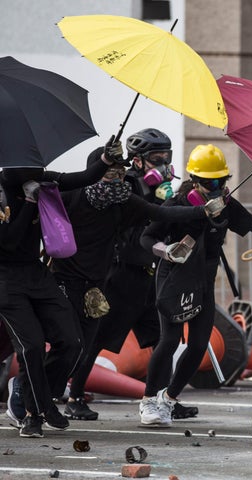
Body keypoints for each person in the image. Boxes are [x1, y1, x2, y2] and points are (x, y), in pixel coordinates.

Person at [138, 144, 252, 427]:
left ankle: (168, 400)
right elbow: (147, 238)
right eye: (210, 182)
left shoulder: (227, 206)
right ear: (195, 180)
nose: (217, 186)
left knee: (197, 345)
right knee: (169, 341)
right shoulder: (178, 204)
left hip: (204, 281)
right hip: (174, 278)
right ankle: (148, 402)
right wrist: (165, 250)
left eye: (222, 180)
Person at [52, 148, 225, 421]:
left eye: (166, 156)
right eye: (156, 158)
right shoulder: (116, 189)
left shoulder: (126, 193)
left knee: (163, 341)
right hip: (120, 278)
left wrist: (195, 210)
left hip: (148, 279)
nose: (163, 164)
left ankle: (161, 399)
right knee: (95, 341)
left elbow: (156, 213)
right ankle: (74, 396)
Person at [1, 137, 121, 438]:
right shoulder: (3, 190)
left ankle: (44, 397)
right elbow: (9, 241)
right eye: (31, 164)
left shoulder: (35, 177)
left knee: (72, 342)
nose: (39, 171)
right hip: (6, 279)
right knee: (30, 346)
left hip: (37, 275)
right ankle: (34, 413)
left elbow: (79, 178)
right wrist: (30, 203)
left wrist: (106, 160)